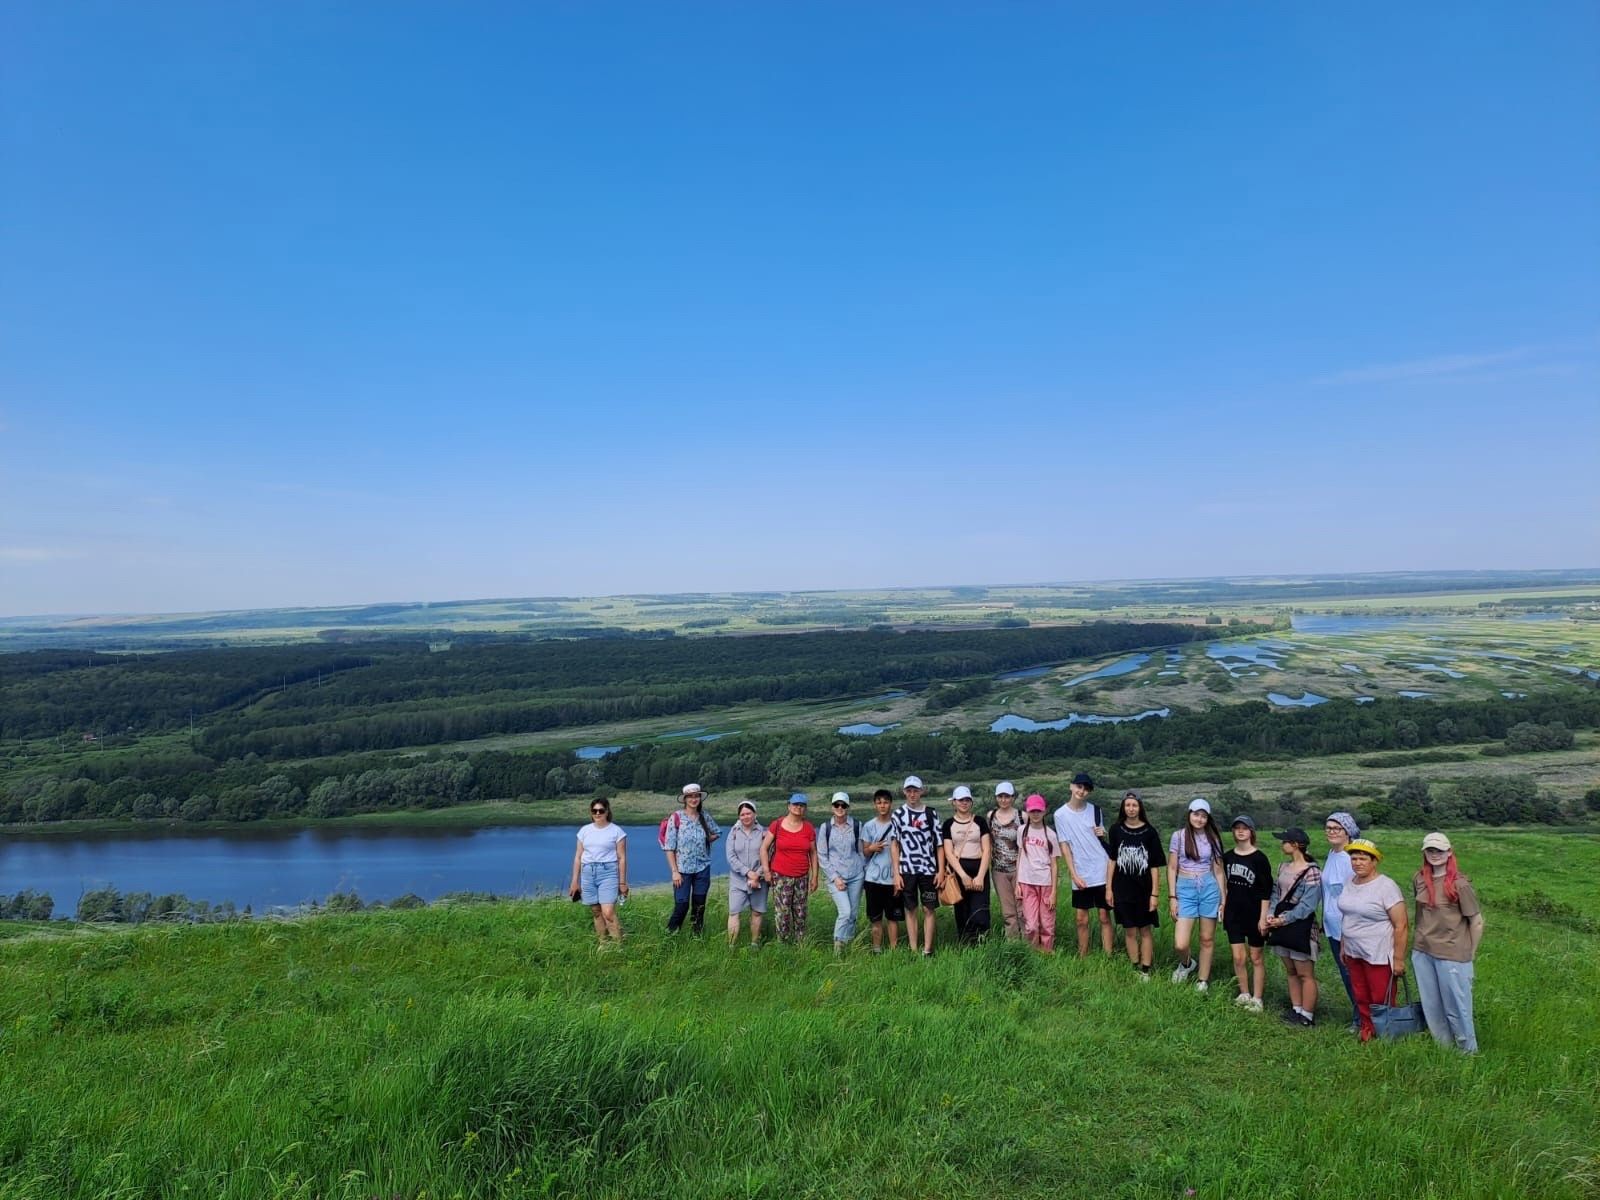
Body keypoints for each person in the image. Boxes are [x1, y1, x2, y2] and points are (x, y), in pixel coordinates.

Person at [1411, 832, 1484, 1053]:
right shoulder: (1419, 878)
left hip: (1452, 953)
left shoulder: (1459, 884)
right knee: (1432, 1004)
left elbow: (1477, 921)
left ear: (1449, 852)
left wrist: (1470, 952)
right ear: (1424, 852)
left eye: (1440, 851)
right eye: (1430, 850)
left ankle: (1467, 1052)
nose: (1435, 855)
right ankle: (1444, 1048)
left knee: (1457, 1007)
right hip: (1423, 950)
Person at [1336, 838, 1408, 1043]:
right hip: (1353, 950)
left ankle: (1386, 1034)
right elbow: (1348, 916)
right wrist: (1343, 944)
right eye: (1354, 858)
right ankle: (1367, 1030)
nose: (1357, 862)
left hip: (1378, 952)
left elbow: (1401, 925)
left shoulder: (1386, 886)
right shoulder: (1350, 882)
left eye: (1363, 858)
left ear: (1374, 861)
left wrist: (1399, 958)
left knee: (1380, 997)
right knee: (1361, 993)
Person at [1263, 827, 1322, 1027]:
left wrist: (1284, 919)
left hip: (1301, 927)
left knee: (1305, 973)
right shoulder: (1282, 867)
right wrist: (1271, 913)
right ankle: (1296, 1009)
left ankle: (1307, 1015)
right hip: (1282, 924)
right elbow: (1275, 893)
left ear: (1295, 845)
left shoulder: (1312, 872)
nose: (1282, 844)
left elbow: (1308, 904)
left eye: (1285, 841)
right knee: (1290, 970)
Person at [1104, 790, 1165, 979]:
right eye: (1128, 805)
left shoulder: (1150, 832)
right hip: (1122, 888)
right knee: (1129, 929)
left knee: (1145, 930)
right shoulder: (1116, 830)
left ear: (1140, 808)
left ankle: (1146, 969)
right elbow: (1112, 859)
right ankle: (1134, 965)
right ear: (1123, 807)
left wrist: (1154, 894)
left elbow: (1155, 866)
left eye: (1134, 805)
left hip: (1144, 890)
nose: (1131, 809)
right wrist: (1108, 888)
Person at [1168, 798, 1226, 991]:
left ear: (1208, 819)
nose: (1199, 819)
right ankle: (1186, 964)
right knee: (1180, 943)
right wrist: (1172, 897)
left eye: (1203, 816)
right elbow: (1172, 867)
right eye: (1196, 814)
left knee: (1206, 938)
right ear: (1189, 814)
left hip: (1209, 887)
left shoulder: (1213, 839)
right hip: (1185, 887)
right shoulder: (1178, 836)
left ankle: (1202, 980)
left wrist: (1223, 899)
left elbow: (1218, 870)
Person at [1055, 772, 1114, 957]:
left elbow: (1101, 838)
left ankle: (1108, 956)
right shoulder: (1060, 815)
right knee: (1081, 918)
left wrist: (1102, 833)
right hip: (1080, 870)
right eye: (1079, 786)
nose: (1082, 791)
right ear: (1071, 787)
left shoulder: (1095, 810)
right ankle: (1083, 956)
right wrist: (1073, 874)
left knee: (1104, 916)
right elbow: (1064, 846)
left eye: (1086, 789)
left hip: (1101, 867)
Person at [1222, 815, 1272, 1012]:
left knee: (1256, 957)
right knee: (1238, 957)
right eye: (1237, 828)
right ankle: (1244, 992)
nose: (1241, 831)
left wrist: (1263, 917)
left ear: (1252, 831)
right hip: (1234, 912)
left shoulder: (1259, 858)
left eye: (1245, 828)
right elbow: (1223, 884)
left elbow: (1266, 890)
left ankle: (1257, 997)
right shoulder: (1227, 857)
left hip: (1254, 913)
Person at [892, 775, 945, 957]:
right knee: (910, 908)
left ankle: (928, 949)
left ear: (921, 791)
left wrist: (940, 870)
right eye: (909, 791)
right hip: (907, 869)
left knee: (929, 908)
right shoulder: (898, 815)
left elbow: (939, 844)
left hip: (928, 869)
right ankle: (914, 949)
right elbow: (895, 845)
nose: (912, 794)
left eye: (916, 790)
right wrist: (896, 873)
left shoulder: (931, 813)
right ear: (904, 792)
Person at [1321, 812, 1362, 1031]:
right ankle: (1360, 1015)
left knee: (1352, 974)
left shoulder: (1350, 858)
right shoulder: (1332, 853)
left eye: (1337, 828)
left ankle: (1363, 1019)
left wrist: (1349, 929)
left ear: (1348, 831)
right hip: (1332, 926)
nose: (1332, 832)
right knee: (1347, 974)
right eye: (1328, 828)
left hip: (1347, 928)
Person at [760, 793, 820, 944]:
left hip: (802, 877)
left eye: (802, 805)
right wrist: (767, 871)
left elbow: (813, 852)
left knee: (800, 912)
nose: (798, 808)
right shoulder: (777, 825)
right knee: (782, 912)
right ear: (788, 806)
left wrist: (814, 877)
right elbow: (764, 848)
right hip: (781, 876)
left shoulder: (808, 828)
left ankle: (801, 943)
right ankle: (783, 943)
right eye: (795, 804)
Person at [663, 782, 721, 935]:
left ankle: (697, 935)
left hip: (702, 868)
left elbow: (717, 832)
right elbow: (669, 847)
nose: (694, 799)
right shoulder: (676, 817)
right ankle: (670, 935)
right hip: (682, 870)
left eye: (696, 796)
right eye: (690, 797)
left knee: (699, 904)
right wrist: (674, 871)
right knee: (682, 905)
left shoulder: (704, 816)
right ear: (685, 799)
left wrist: (704, 841)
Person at [568, 798, 628, 945]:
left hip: (608, 872)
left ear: (607, 811)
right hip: (588, 872)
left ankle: (619, 945)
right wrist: (575, 881)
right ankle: (603, 943)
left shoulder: (616, 831)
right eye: (594, 811)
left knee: (607, 912)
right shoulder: (584, 831)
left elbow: (622, 858)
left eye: (601, 810)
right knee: (596, 911)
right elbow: (578, 857)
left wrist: (622, 882)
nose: (597, 813)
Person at [817, 791, 867, 954]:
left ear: (848, 807)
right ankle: (838, 948)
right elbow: (822, 856)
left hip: (856, 875)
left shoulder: (858, 826)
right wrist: (834, 877)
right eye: (837, 805)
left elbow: (861, 852)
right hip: (836, 877)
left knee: (853, 914)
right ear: (832, 807)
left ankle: (850, 944)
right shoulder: (826, 828)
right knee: (844, 912)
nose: (840, 808)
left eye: (843, 805)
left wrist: (865, 873)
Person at [941, 785, 992, 944]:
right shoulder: (948, 824)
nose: (964, 803)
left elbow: (987, 849)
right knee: (962, 911)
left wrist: (980, 876)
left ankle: (982, 943)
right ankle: (965, 944)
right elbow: (948, 852)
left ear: (971, 802)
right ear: (954, 802)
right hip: (958, 870)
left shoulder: (980, 821)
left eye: (967, 800)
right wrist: (963, 875)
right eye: (960, 800)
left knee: (980, 911)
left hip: (979, 869)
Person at [1015, 794, 1060, 952]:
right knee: (1031, 924)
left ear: (1044, 812)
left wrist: (1054, 891)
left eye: (1038, 811)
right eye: (1032, 811)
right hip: (1027, 882)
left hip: (1046, 883)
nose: (1035, 814)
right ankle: (1032, 952)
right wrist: (1017, 883)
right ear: (1027, 811)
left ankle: (1047, 951)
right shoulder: (1022, 831)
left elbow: (1054, 864)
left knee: (1047, 923)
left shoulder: (1051, 835)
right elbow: (1019, 856)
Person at [860, 788, 902, 952]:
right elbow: (864, 851)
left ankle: (893, 949)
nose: (882, 805)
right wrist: (872, 847)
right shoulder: (869, 826)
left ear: (890, 804)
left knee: (893, 917)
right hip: (873, 879)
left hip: (893, 878)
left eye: (885, 802)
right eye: (879, 802)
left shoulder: (898, 825)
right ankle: (876, 948)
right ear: (875, 805)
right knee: (875, 917)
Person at [724, 800, 768, 948]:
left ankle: (754, 944)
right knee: (734, 912)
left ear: (755, 814)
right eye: (742, 814)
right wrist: (748, 873)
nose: (746, 817)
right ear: (739, 816)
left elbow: (769, 855)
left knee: (756, 912)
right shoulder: (734, 832)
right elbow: (731, 856)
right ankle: (731, 946)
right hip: (738, 880)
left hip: (759, 881)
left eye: (748, 813)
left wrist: (758, 874)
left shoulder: (763, 833)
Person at [986, 782, 1024, 940]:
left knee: (1023, 909)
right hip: (999, 871)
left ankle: (1029, 942)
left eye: (1007, 796)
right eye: (1000, 796)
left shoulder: (1022, 816)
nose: (1003, 800)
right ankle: (1013, 943)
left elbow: (1025, 844)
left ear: (1013, 798)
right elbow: (988, 841)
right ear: (996, 798)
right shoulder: (991, 816)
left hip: (1019, 869)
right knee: (1008, 911)